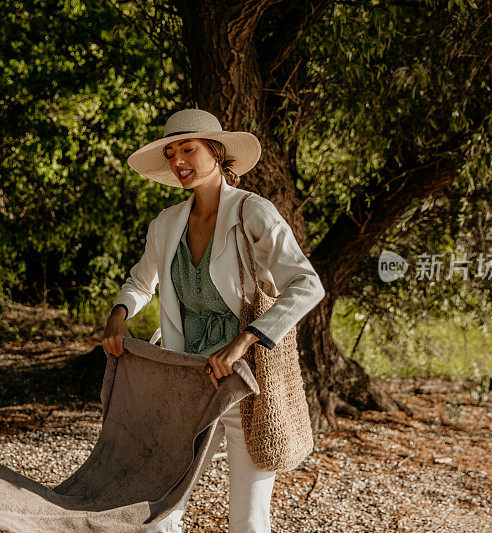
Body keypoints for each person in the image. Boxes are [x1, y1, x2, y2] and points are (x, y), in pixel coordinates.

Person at [101, 108, 325, 533]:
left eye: (189, 148)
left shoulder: (252, 213)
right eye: (170, 153)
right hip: (188, 381)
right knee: (159, 509)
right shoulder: (166, 224)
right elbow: (140, 280)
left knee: (248, 519)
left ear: (217, 152)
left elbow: (307, 285)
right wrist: (120, 313)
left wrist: (244, 340)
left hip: (246, 383)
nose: (178, 160)